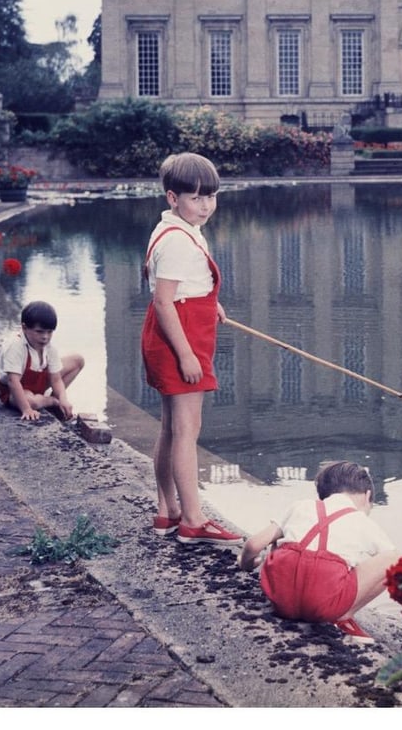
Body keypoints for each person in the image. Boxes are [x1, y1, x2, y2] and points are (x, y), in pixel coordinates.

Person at [141, 152, 241, 544]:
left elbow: (178, 288)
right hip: (179, 337)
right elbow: (165, 301)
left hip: (180, 328)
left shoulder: (178, 228)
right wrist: (186, 355)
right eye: (196, 198)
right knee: (186, 431)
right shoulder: (179, 240)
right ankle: (194, 522)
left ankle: (168, 510)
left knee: (171, 428)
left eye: (211, 197)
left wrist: (206, 298)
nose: (206, 206)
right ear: (172, 197)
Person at [239, 460, 400, 641]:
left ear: (323, 494)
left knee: (282, 538)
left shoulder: (300, 506)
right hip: (323, 605)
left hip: (279, 599)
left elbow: (253, 544)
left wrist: (246, 565)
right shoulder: (362, 520)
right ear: (367, 495)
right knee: (393, 560)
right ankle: (344, 616)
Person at [0, 300, 84, 421]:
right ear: (24, 328)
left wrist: (64, 399)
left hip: (37, 382)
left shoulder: (49, 347)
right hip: (14, 389)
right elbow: (13, 381)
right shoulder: (16, 346)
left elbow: (56, 379)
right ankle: (51, 401)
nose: (45, 337)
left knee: (77, 360)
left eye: (49, 331)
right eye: (39, 331)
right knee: (32, 402)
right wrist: (26, 409)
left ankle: (56, 403)